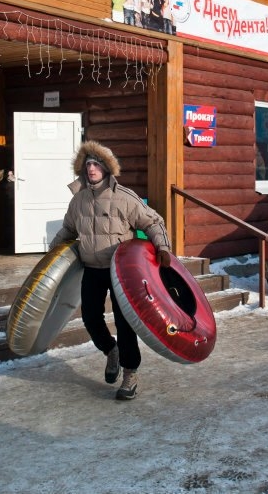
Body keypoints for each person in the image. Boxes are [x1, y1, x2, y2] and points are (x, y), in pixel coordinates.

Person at [49, 140, 171, 401]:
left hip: (120, 271)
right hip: (91, 268)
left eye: (96, 164)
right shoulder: (79, 200)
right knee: (91, 318)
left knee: (125, 322)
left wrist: (163, 248)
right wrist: (51, 253)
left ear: (106, 168)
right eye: (88, 164)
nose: (91, 169)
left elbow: (153, 222)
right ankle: (110, 350)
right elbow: (69, 229)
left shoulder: (123, 197)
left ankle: (130, 373)